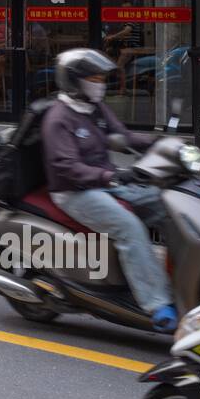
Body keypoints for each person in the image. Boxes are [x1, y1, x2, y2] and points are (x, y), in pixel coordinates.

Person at [40, 48, 177, 332]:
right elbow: (68, 168)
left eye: (101, 77)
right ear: (74, 81)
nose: (100, 82)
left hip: (106, 183)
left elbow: (122, 136)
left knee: (168, 204)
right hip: (75, 193)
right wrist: (111, 176)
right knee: (129, 227)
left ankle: (181, 281)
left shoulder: (94, 108)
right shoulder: (58, 118)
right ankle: (157, 303)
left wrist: (160, 144)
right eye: (93, 77)